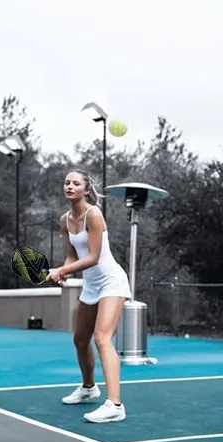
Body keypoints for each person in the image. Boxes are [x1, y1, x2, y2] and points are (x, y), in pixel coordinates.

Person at [45, 169, 131, 424]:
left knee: (102, 338)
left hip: (111, 281)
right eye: (66, 182)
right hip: (91, 284)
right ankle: (88, 388)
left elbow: (93, 257)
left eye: (75, 183)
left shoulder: (93, 215)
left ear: (85, 189)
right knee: (80, 340)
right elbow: (73, 256)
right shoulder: (65, 220)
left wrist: (62, 270)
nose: (69, 186)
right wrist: (66, 272)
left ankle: (115, 404)